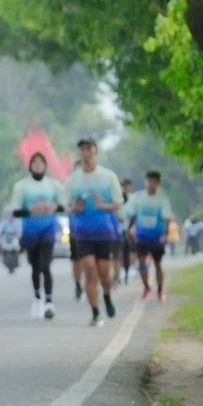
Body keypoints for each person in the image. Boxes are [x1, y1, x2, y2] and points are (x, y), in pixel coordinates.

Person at [62, 138, 125, 327]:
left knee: (105, 273)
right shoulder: (73, 179)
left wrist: (102, 206)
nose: (85, 152)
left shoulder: (108, 177)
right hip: (82, 233)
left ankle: (106, 295)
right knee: (90, 270)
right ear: (79, 153)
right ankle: (96, 312)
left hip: (105, 232)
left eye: (89, 148)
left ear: (96, 152)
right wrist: (74, 208)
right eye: (82, 149)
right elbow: (64, 205)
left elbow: (118, 202)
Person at [8, 152, 68, 320]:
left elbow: (64, 206)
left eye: (41, 162)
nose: (38, 165)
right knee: (35, 266)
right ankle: (37, 298)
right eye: (35, 162)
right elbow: (15, 210)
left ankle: (49, 301)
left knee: (45, 265)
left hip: (48, 229)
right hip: (30, 231)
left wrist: (53, 208)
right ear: (30, 165)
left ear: (45, 165)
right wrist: (31, 211)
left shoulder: (54, 185)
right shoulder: (21, 186)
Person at [129, 170, 175, 301]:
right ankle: (146, 287)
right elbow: (133, 214)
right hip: (142, 236)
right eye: (149, 181)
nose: (151, 184)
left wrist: (166, 235)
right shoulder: (139, 198)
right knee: (142, 263)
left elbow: (167, 218)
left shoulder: (162, 199)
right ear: (145, 181)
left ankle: (160, 290)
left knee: (157, 264)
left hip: (157, 237)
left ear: (158, 183)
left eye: (154, 181)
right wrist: (129, 229)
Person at [115, 178, 134, 286]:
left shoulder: (132, 199)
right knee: (117, 254)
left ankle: (126, 273)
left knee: (126, 253)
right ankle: (117, 276)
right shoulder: (114, 199)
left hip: (127, 230)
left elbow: (133, 215)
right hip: (115, 230)